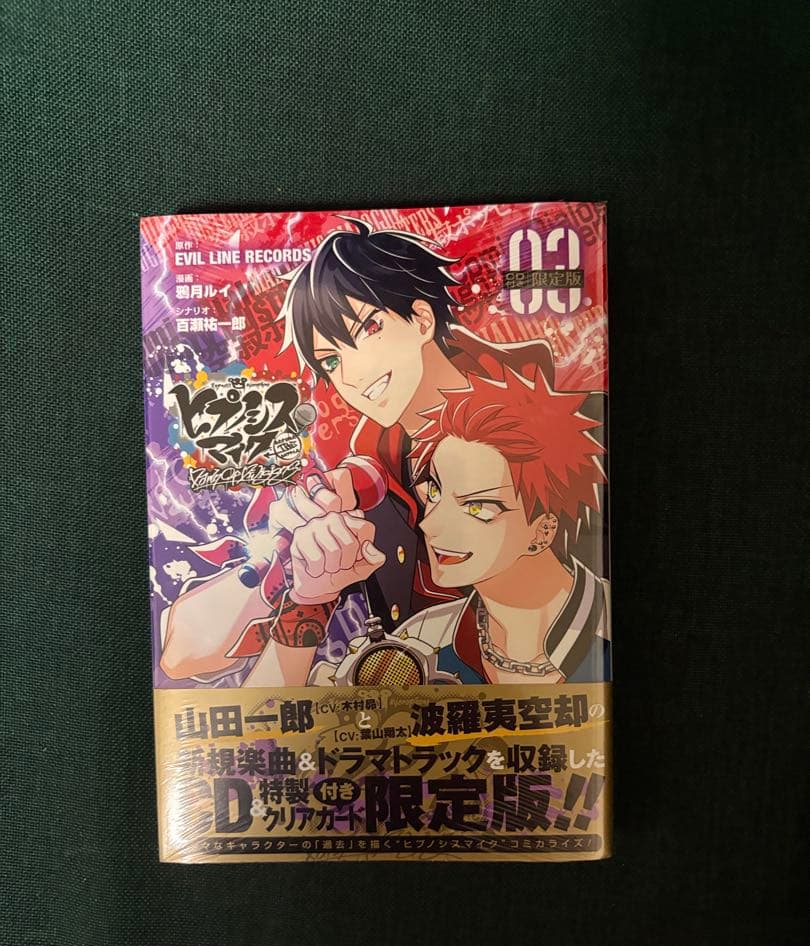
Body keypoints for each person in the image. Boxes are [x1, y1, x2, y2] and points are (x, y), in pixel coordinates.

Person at [160, 220, 558, 685]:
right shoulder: (370, 471)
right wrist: (289, 565)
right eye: (330, 359)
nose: (350, 373)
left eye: (367, 328)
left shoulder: (546, 410)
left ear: (422, 319)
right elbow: (182, 658)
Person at [296, 366, 609, 687]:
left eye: (476, 506)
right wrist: (309, 601)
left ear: (542, 531)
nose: (429, 524)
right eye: (434, 491)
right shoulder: (423, 636)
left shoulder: (607, 624)